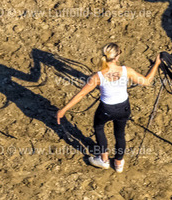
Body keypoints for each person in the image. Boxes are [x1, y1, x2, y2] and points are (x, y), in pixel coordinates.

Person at [57, 43, 161, 172]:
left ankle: (104, 159)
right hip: (124, 107)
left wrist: (63, 109)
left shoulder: (97, 76)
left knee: (99, 127)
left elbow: (81, 94)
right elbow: (146, 81)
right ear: (117, 57)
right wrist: (156, 64)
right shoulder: (126, 71)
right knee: (120, 134)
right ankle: (118, 163)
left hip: (106, 109)